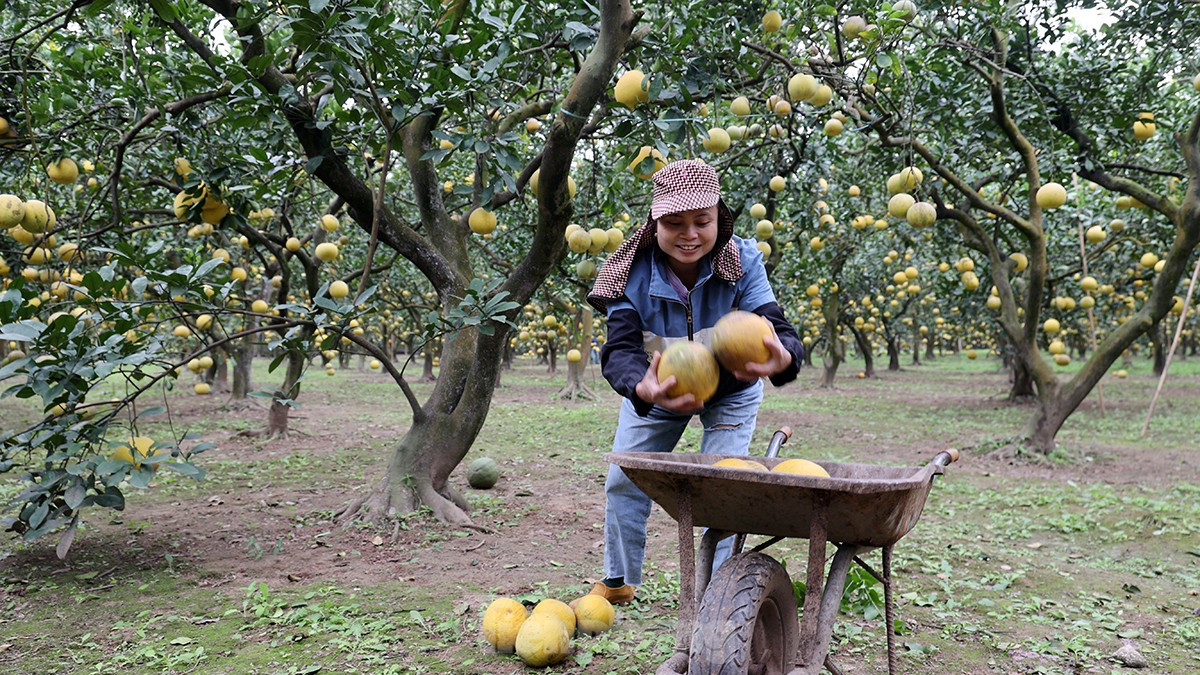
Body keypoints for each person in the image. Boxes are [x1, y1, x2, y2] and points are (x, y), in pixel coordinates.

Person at [577, 159, 806, 606]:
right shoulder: (631, 273)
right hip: (659, 389)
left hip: (731, 391)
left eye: (702, 221)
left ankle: (716, 592)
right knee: (625, 478)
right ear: (654, 224)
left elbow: (779, 330)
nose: (690, 234)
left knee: (723, 487)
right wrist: (641, 387)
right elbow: (620, 350)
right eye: (674, 223)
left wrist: (782, 357)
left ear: (719, 219)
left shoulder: (741, 261)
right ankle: (618, 580)